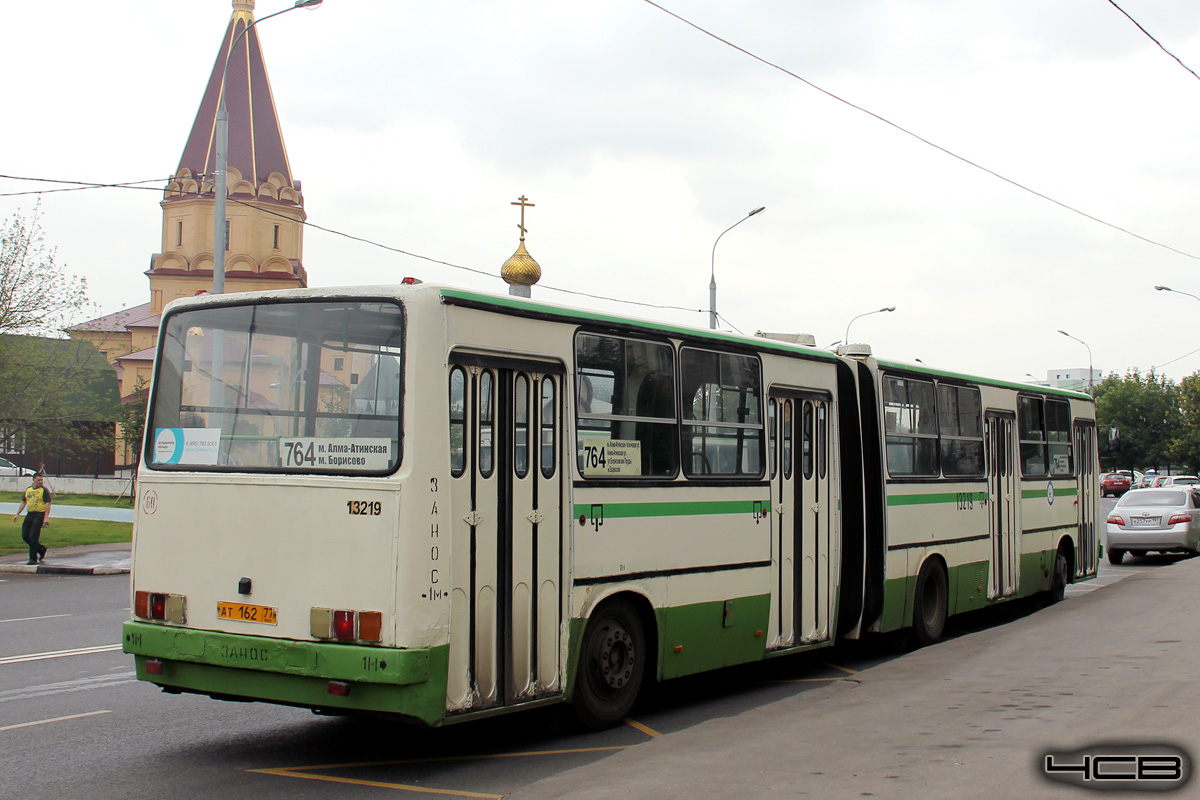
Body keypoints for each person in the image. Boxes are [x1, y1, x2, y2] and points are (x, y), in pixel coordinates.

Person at [11, 474, 52, 565]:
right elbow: (23, 502)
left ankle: (33, 558)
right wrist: (17, 514)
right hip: (30, 514)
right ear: (33, 480)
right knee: (25, 536)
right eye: (38, 480)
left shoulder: (44, 490)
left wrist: (46, 517)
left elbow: (47, 504)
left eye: (41, 480)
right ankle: (41, 549)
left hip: (39, 514)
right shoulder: (28, 490)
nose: (41, 482)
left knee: (33, 537)